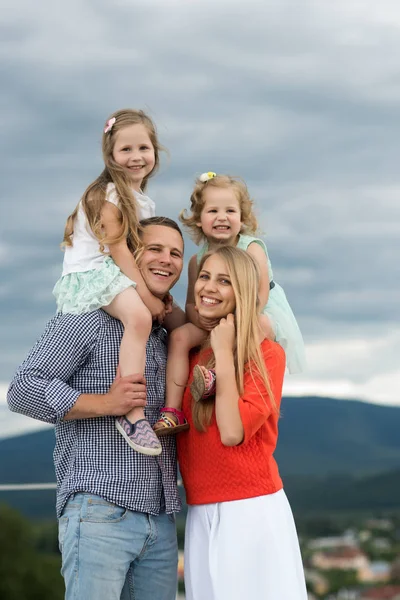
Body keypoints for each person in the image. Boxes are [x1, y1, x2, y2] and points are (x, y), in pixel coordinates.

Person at [7, 217, 186, 600]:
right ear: (130, 254)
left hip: (162, 519)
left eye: (176, 253)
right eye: (155, 249)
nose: (167, 260)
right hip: (100, 511)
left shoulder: (163, 333)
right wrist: (108, 403)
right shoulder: (87, 316)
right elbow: (23, 389)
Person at [177, 245, 308, 600]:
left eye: (224, 281)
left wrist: (223, 351)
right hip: (199, 510)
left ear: (244, 292)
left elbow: (233, 432)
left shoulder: (267, 354)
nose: (209, 287)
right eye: (205, 277)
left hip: (250, 510)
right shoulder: (187, 352)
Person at [53, 108, 186, 456]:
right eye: (125, 150)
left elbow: (137, 256)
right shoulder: (107, 195)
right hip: (93, 272)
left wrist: (162, 297)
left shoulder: (142, 199)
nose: (135, 157)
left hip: (117, 271)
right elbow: (121, 255)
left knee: (177, 320)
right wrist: (147, 298)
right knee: (140, 318)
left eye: (143, 148)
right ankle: (132, 413)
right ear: (110, 155)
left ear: (155, 151)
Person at [154, 171, 306, 435]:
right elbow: (192, 304)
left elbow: (259, 297)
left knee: (258, 327)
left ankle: (221, 378)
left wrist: (232, 323)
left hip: (254, 312)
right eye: (212, 210)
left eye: (230, 211)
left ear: (242, 218)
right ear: (199, 220)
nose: (222, 217)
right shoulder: (196, 260)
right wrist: (201, 319)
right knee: (179, 337)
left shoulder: (251, 248)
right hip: (213, 316)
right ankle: (172, 410)